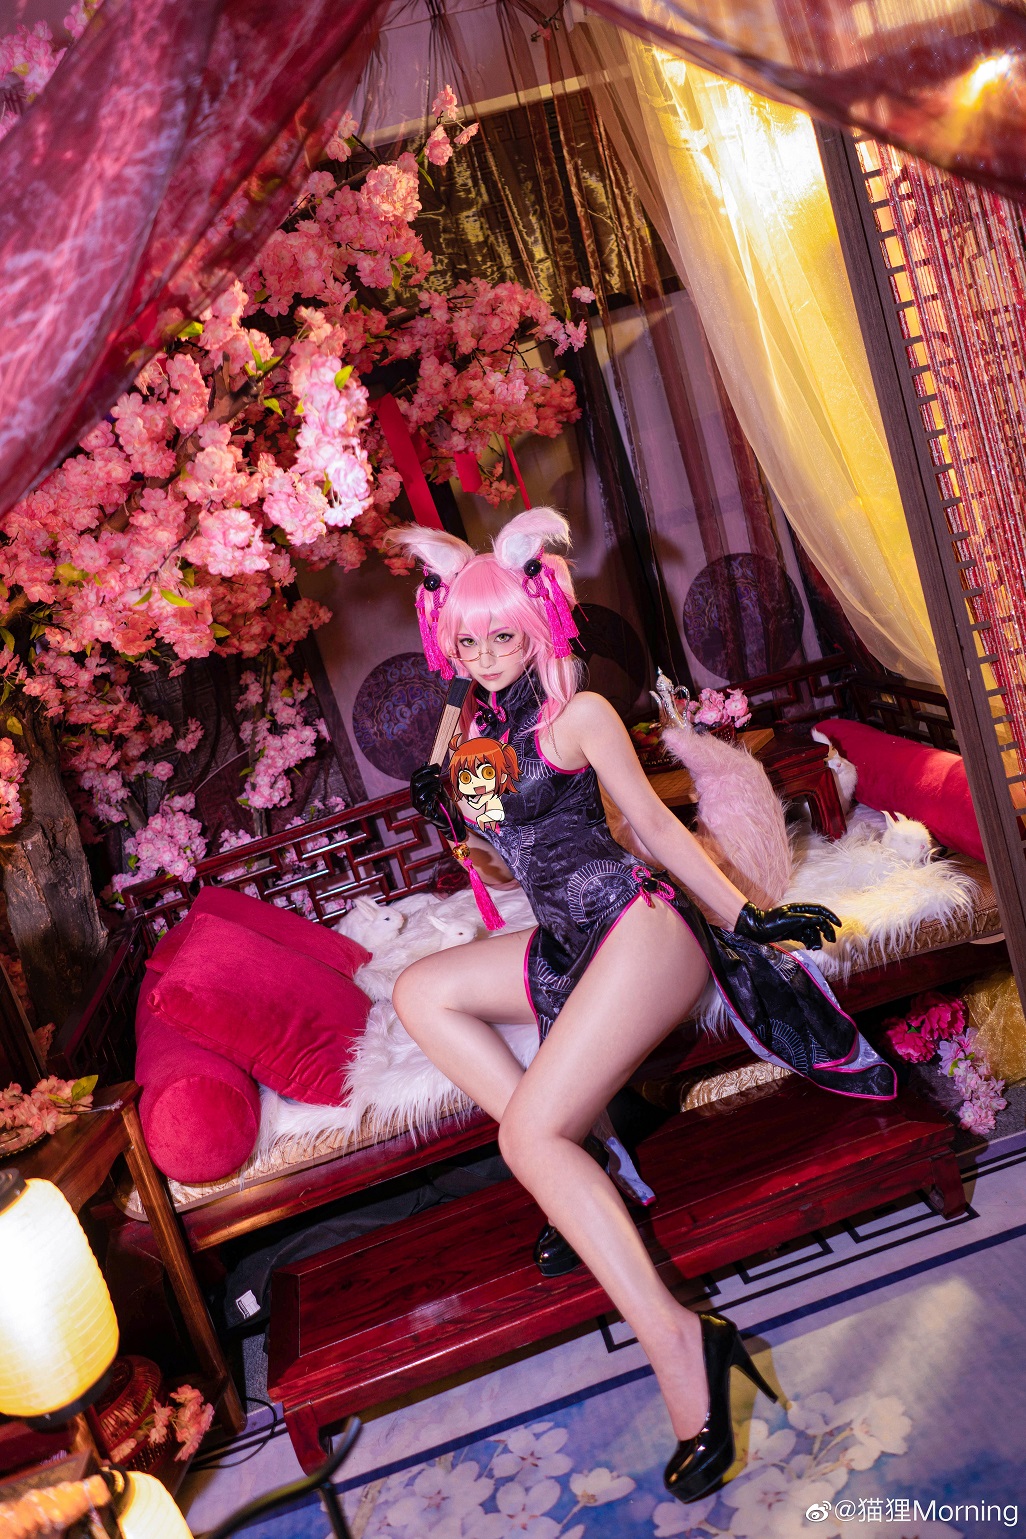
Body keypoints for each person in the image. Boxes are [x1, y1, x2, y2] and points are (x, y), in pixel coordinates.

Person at [387, 509, 896, 1506]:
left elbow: (655, 827)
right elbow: (509, 861)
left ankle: (678, 1338)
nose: (486, 658)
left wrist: (750, 915)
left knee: (527, 1137)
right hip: (570, 937)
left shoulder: (578, 716)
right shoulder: (478, 739)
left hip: (640, 924)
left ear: (539, 624)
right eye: (469, 642)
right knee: (420, 990)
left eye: (503, 636)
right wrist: (455, 814)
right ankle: (573, 1172)